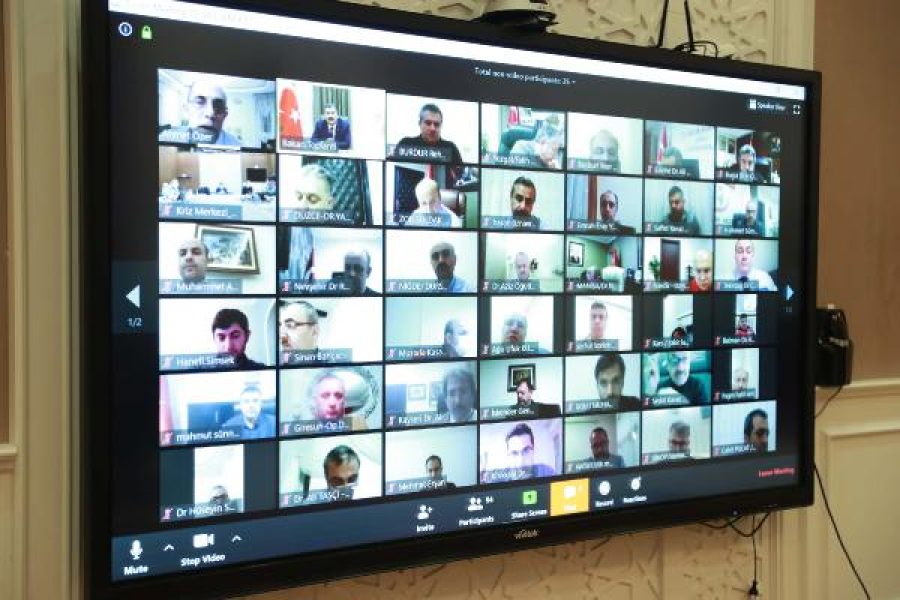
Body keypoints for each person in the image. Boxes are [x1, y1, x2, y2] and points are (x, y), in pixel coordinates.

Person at [159, 79, 241, 146]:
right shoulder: (166, 141)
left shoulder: (238, 146)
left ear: (225, 114)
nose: (210, 113)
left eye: (218, 105)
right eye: (200, 102)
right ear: (186, 110)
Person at [394, 103, 463, 164]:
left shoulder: (451, 148)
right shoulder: (406, 144)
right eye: (428, 123)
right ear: (420, 123)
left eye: (436, 124)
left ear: (441, 126)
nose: (432, 128)